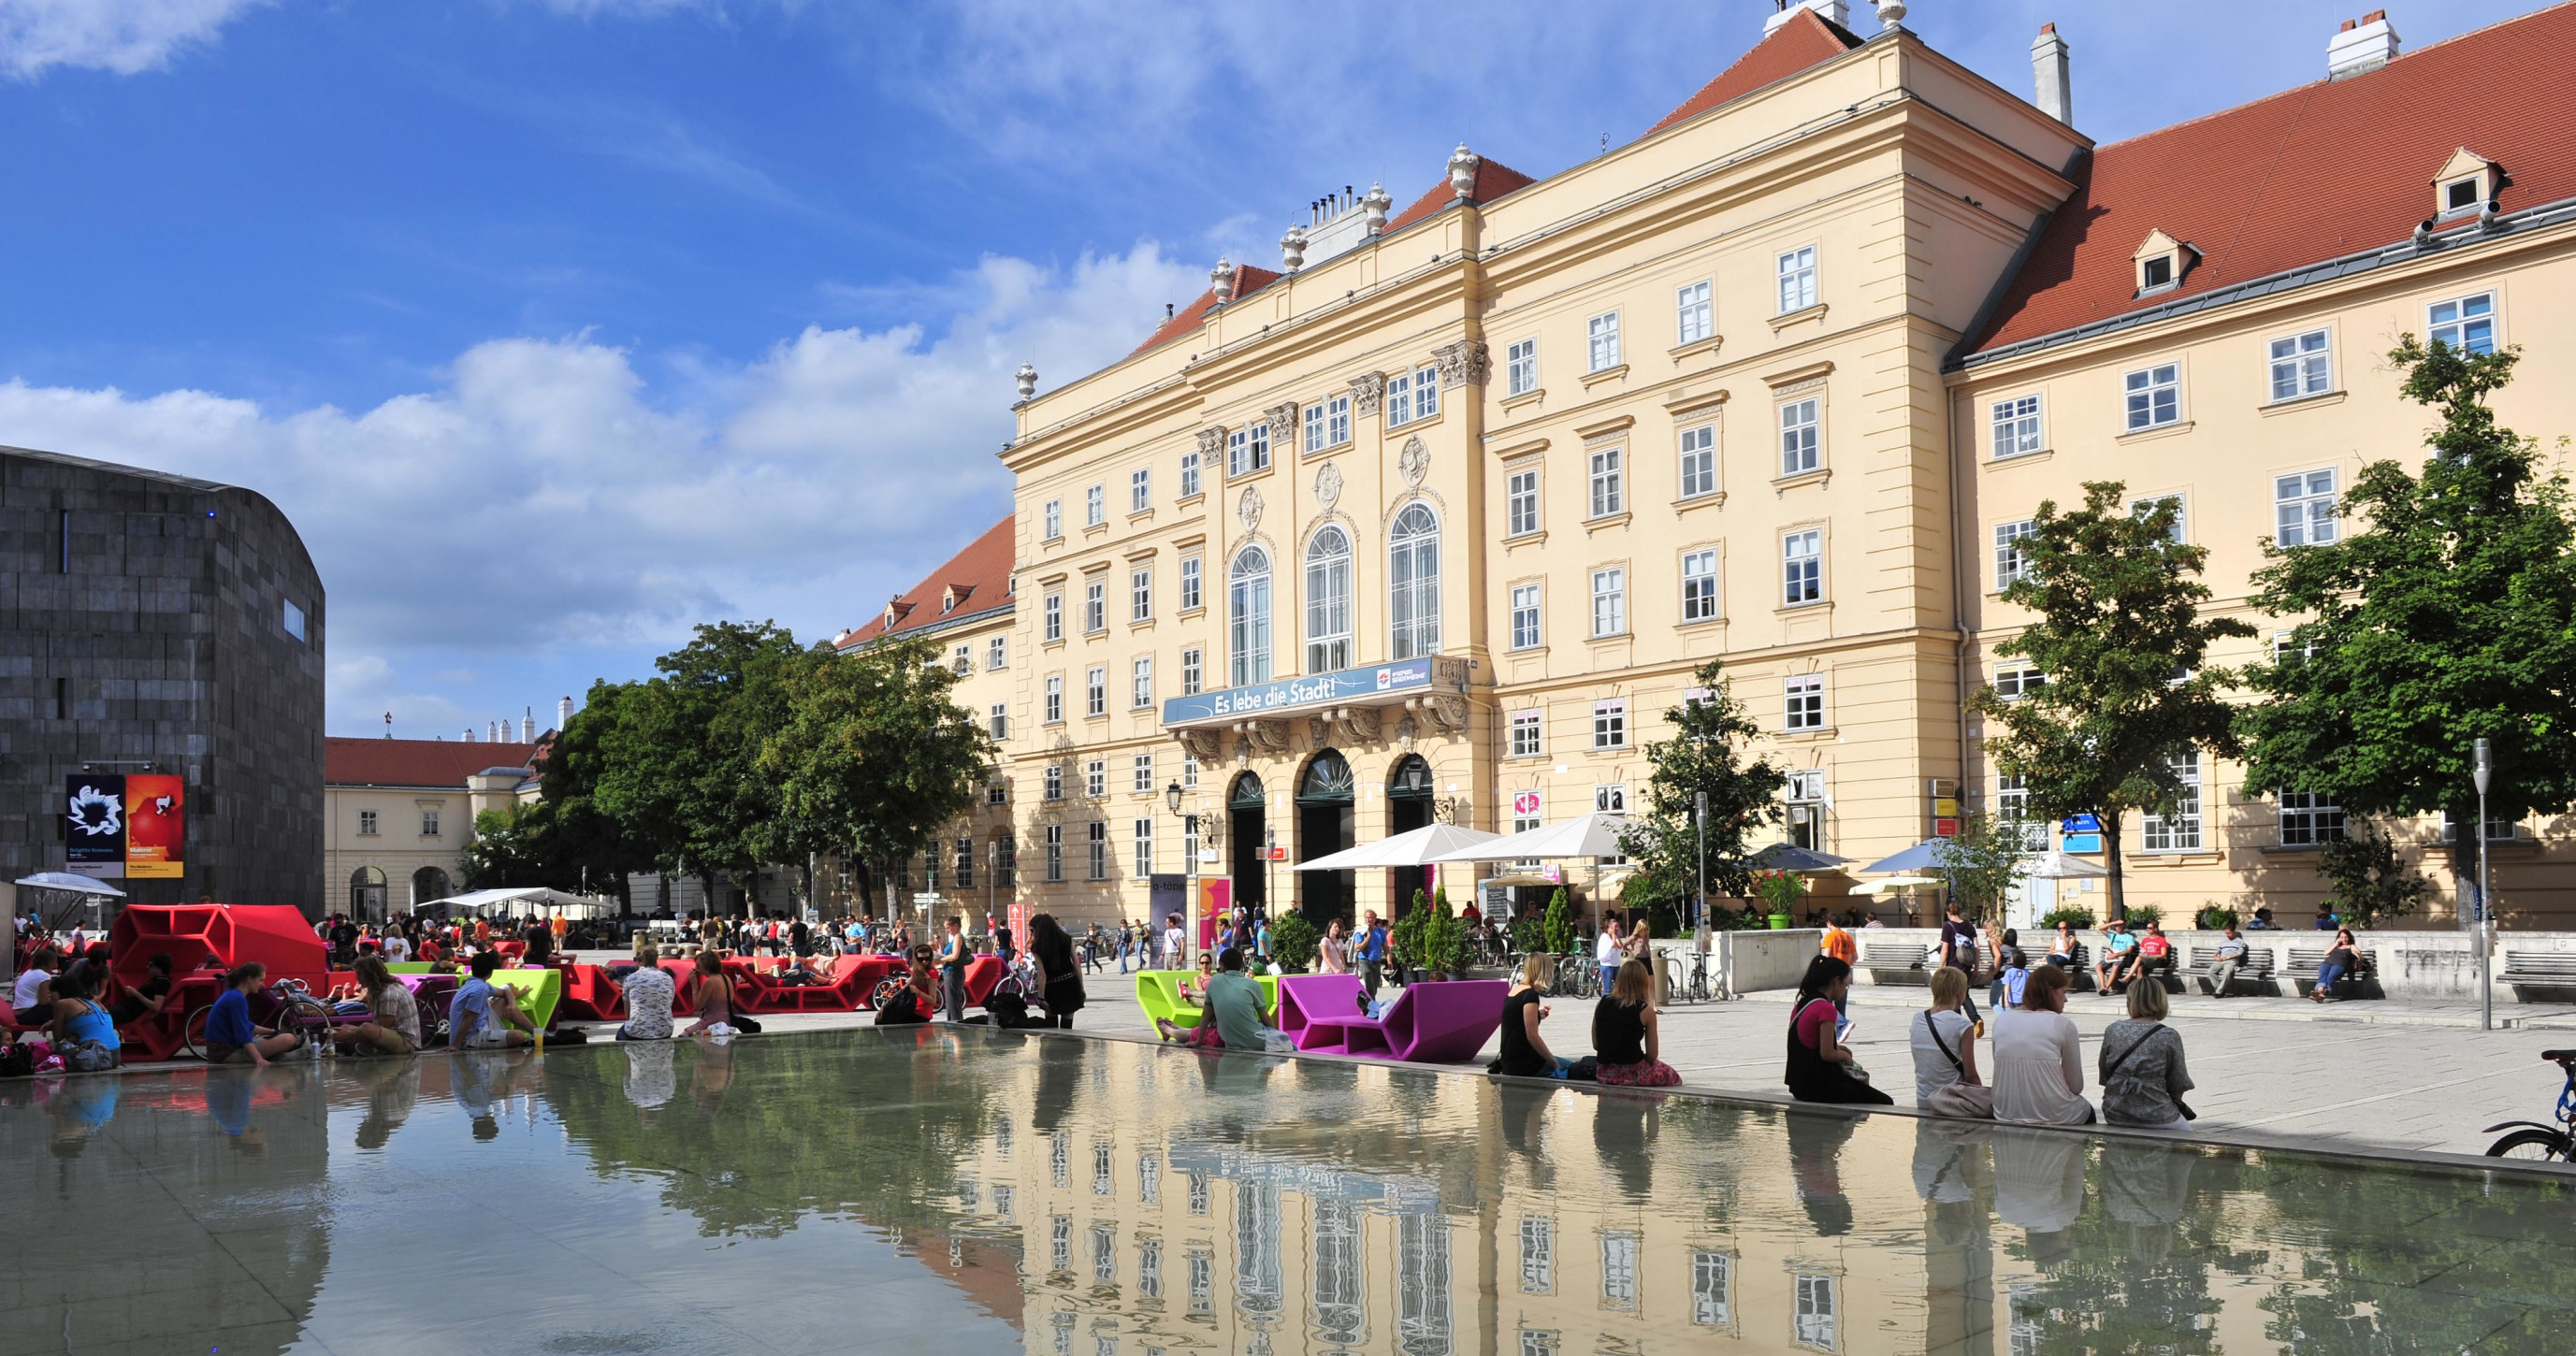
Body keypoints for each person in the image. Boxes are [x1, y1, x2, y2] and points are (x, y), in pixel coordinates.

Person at [1784, 956, 1892, 1105]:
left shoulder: (1802, 1003)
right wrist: (1846, 1058)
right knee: (1885, 1102)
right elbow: (1827, 1054)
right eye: (1846, 985)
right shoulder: (1825, 1008)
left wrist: (1839, 1048)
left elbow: (1810, 1042)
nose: (1844, 990)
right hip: (1818, 1086)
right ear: (1836, 981)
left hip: (1798, 1084)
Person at [1991, 966, 2092, 1125]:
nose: (2065, 1000)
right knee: (2086, 1109)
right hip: (2054, 1114)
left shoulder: (2001, 1020)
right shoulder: (2061, 1024)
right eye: (2063, 993)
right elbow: (2075, 1086)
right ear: (2051, 991)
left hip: (2006, 1110)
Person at [2100, 981, 2195, 1129]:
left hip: (2116, 1112)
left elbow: (2105, 1074)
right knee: (2189, 1140)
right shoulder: (2167, 1035)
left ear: (2130, 1001)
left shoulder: (2112, 1030)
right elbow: (2178, 1081)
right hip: (2157, 1115)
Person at [1159, 946, 1277, 1049]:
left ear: (1222, 965)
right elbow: (1265, 1017)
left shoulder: (1215, 981)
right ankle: (1172, 1027)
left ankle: (1168, 1029)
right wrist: (1275, 1038)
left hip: (1229, 1040)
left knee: (1198, 1032)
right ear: (1242, 965)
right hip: (1257, 1040)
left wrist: (1198, 1042)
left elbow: (1206, 1014)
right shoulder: (1254, 984)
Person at [1912, 967, 1991, 1117]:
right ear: (1960, 994)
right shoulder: (1963, 1025)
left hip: (1923, 1098)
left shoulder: (1918, 1018)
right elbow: (1971, 1076)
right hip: (1950, 1101)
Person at [1593, 959, 1680, 1087]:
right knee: (1673, 1076)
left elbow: (1596, 1045)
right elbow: (1652, 1055)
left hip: (1604, 1072)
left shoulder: (1602, 1003)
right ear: (1643, 983)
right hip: (1632, 1071)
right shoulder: (1645, 1010)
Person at [204, 963, 303, 1065]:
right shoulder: (237, 999)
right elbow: (242, 1033)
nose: (262, 984)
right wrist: (259, 1059)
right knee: (288, 1039)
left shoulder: (232, 993)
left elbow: (246, 1024)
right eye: (260, 980)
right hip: (228, 1053)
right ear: (250, 979)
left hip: (218, 1051)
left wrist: (271, 1031)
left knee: (278, 1038)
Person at [1497, 953, 1570, 1078]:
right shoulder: (1530, 996)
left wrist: (1537, 1014)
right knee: (1572, 1068)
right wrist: (1554, 1062)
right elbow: (1532, 1036)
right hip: (1525, 1062)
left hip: (1509, 1061)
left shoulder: (1515, 990)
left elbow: (1516, 1019)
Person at [452, 951, 539, 1048]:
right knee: (518, 1036)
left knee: (504, 1000)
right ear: (491, 972)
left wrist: (511, 1004)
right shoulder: (480, 989)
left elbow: (506, 992)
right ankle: (538, 1034)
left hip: (481, 1023)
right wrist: (456, 1045)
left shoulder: (475, 982)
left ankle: (539, 1033)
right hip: (471, 1037)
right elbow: (468, 1018)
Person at [338, 956, 420, 1056]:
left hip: (406, 1042)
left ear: (370, 975)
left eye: (359, 974)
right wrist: (350, 1030)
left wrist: (351, 1034)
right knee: (345, 1027)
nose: (357, 978)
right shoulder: (381, 990)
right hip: (394, 1035)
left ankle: (351, 1048)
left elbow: (382, 1028)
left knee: (365, 1028)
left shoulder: (389, 994)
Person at [47, 964, 122, 1070]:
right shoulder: (94, 1001)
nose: (49, 995)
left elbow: (58, 1038)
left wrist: (54, 1024)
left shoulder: (62, 1004)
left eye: (51, 992)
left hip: (94, 1057)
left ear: (61, 991)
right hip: (115, 1056)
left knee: (52, 1044)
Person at [1028, 913, 1086, 1030]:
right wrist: (1081, 988)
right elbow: (1076, 965)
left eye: (1032, 929)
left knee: (1051, 1027)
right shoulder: (1067, 939)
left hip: (1052, 988)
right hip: (1070, 984)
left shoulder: (1037, 947)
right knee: (1067, 1026)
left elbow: (1042, 975)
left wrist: (1041, 997)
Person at [617, 944, 675, 1039]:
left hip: (636, 1032)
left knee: (620, 1035)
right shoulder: (668, 978)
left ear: (638, 961)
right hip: (665, 1031)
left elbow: (627, 1014)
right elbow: (668, 1004)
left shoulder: (630, 979)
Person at [109, 952, 177, 1026]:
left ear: (159, 967)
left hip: (128, 1012)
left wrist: (136, 994)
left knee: (99, 1016)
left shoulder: (162, 983)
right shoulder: (158, 980)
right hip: (125, 1009)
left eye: (151, 965)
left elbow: (156, 1007)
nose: (147, 967)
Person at [2310, 927, 2363, 1003]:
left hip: (2340, 965)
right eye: (2341, 937)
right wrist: (2336, 944)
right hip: (2327, 963)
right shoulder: (2336, 945)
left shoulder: (2351, 946)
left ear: (2349, 937)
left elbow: (2360, 955)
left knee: (2330, 977)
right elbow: (2326, 953)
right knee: (2323, 975)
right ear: (2339, 938)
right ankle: (2321, 992)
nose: (2344, 939)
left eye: (2346, 937)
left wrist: (2357, 953)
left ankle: (2319, 993)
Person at [13, 947, 60, 1027]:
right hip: (29, 1014)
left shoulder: (29, 972)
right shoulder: (44, 976)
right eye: (54, 963)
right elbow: (43, 1001)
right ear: (48, 963)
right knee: (64, 1010)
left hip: (19, 1013)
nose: (55, 965)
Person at [936, 916, 968, 1022]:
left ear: (955, 926)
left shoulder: (958, 937)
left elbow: (954, 956)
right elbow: (946, 954)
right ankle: (955, 1024)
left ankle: (954, 1026)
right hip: (952, 971)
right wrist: (939, 944)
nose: (947, 930)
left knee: (952, 1003)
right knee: (952, 1002)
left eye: (948, 927)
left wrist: (940, 960)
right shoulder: (955, 938)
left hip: (953, 972)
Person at [1988, 927, 2028, 1013]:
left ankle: (2003, 1017)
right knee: (2007, 1001)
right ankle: (2007, 1016)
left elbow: (1997, 957)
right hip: (2014, 976)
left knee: (1994, 1001)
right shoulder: (2017, 950)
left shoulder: (2002, 948)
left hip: (2001, 975)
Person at [2093, 920, 2139, 993]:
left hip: (2121, 958)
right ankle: (2103, 986)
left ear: (2123, 926)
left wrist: (2117, 955)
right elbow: (2100, 928)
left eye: (2120, 925)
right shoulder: (2113, 935)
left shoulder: (2129, 937)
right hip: (2111, 957)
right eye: (2116, 926)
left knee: (2115, 967)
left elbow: (2129, 950)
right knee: (2098, 967)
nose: (2118, 927)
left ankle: (2106, 988)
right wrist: (2113, 923)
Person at [2208, 924, 2250, 997]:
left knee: (2227, 972)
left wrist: (2227, 957)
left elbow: (2239, 953)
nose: (2227, 935)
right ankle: (2220, 989)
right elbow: (2216, 951)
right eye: (2226, 934)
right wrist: (2216, 957)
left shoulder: (2240, 942)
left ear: (2234, 932)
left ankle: (2218, 992)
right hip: (2221, 960)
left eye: (2229, 933)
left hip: (2232, 961)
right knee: (2210, 971)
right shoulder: (2223, 942)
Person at [2132, 923, 2175, 989]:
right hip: (2145, 960)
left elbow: (2163, 955)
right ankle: (2141, 987)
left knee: (2139, 963)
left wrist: (2150, 955)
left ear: (2155, 929)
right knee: (2139, 967)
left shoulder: (2161, 940)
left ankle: (2132, 981)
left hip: (2156, 961)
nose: (2148, 929)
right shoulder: (2145, 940)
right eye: (2147, 928)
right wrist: (2142, 954)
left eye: (2150, 928)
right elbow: (2142, 951)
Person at [1358, 910, 1388, 998]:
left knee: (1375, 987)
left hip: (1376, 961)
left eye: (1370, 917)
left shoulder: (1381, 932)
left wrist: (1389, 961)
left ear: (1375, 919)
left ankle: (1366, 1003)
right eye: (1366, 918)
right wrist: (1368, 937)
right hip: (1365, 961)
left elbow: (1386, 948)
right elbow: (1358, 947)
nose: (1368, 920)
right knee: (1369, 987)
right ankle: (1371, 1006)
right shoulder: (1360, 931)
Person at [1595, 916, 1624, 994]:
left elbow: (1621, 946)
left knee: (1620, 988)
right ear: (1609, 928)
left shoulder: (1614, 937)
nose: (1617, 928)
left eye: (1618, 926)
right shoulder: (1605, 937)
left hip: (1616, 965)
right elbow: (1613, 946)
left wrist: (1616, 936)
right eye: (1615, 927)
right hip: (1607, 965)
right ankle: (1605, 1004)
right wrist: (1613, 934)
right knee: (1607, 989)